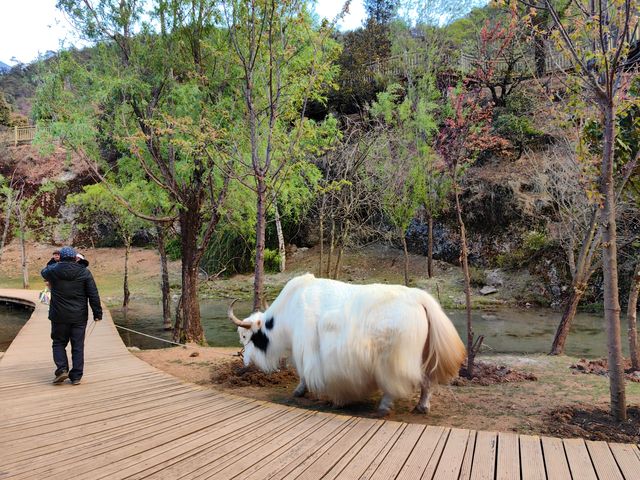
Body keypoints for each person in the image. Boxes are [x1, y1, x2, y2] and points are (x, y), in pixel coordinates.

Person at [41, 246, 102, 385]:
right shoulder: (84, 272)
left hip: (59, 316)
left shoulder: (53, 270)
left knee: (58, 342)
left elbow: (43, 272)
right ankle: (76, 377)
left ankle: (62, 369)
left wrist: (54, 261)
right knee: (78, 345)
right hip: (79, 316)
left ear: (60, 257)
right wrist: (97, 313)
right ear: (75, 258)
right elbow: (93, 294)